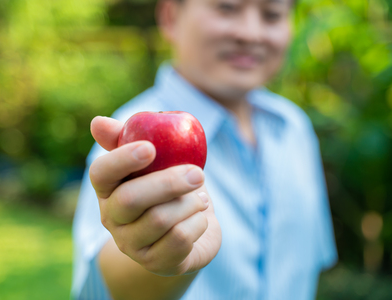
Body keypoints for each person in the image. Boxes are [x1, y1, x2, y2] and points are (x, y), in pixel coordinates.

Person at [72, 0, 338, 299]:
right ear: (171, 17)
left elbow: (307, 262)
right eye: (227, 8)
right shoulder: (127, 142)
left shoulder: (294, 128)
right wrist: (158, 260)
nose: (250, 34)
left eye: (272, 15)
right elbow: (106, 285)